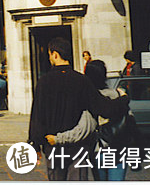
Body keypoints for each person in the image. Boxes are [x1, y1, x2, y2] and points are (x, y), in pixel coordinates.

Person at [28, 37, 130, 181]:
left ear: (55, 54)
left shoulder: (44, 81)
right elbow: (104, 108)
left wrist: (35, 143)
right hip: (78, 147)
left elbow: (37, 115)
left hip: (53, 146)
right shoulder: (81, 80)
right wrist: (124, 99)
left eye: (50, 54)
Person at [45, 60, 141, 181]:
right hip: (120, 149)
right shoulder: (117, 94)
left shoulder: (90, 98)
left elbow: (84, 128)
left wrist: (58, 138)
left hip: (99, 151)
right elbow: (131, 123)